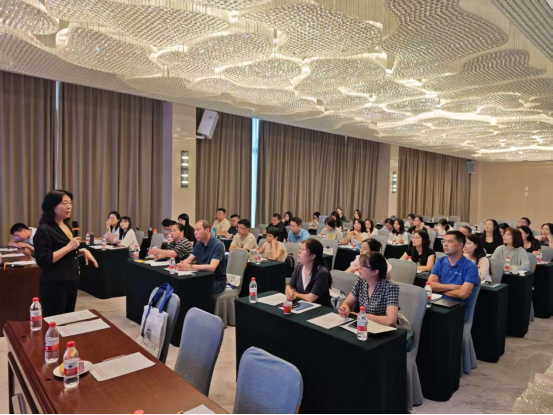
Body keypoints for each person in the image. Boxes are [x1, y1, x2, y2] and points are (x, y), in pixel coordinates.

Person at [34, 190, 98, 318]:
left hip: (71, 279)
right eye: (64, 203)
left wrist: (82, 250)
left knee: (67, 317)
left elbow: (64, 251)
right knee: (55, 318)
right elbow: (43, 260)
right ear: (52, 206)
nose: (69, 206)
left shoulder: (66, 225)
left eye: (70, 203)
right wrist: (69, 247)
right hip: (55, 283)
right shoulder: (44, 230)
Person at [339, 252, 399, 328]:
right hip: (363, 325)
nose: (359, 268)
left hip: (381, 329)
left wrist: (362, 316)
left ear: (375, 272)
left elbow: (390, 321)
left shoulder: (390, 287)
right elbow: (346, 303)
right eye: (361, 264)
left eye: (363, 266)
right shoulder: (361, 281)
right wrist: (345, 309)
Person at [428, 231, 480, 316]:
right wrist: (455, 287)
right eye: (443, 241)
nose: (445, 244)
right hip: (436, 302)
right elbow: (429, 286)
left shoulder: (470, 266)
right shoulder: (440, 261)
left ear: (460, 245)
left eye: (450, 241)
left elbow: (463, 294)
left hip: (457, 309)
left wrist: (439, 288)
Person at [178, 220, 227, 295]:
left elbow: (212, 267)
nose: (195, 233)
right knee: (183, 285)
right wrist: (182, 264)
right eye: (194, 230)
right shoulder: (198, 243)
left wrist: (190, 267)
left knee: (194, 289)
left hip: (216, 281)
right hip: (201, 277)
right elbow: (189, 260)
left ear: (207, 230)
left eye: (198, 230)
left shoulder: (218, 245)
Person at [286, 239, 332, 307]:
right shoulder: (299, 267)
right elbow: (289, 287)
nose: (299, 251)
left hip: (320, 309)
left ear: (312, 256)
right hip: (302, 306)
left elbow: (311, 298)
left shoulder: (322, 272)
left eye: (303, 249)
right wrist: (290, 294)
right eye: (299, 248)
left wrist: (296, 294)